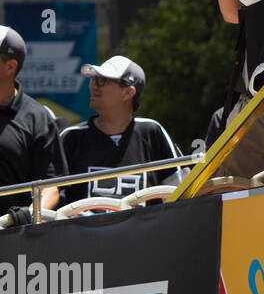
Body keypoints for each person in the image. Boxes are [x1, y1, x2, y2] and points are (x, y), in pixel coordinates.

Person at [59, 56, 183, 203]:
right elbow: (51, 196)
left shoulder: (152, 132)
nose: (92, 86)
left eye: (102, 80)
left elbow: (181, 195)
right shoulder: (71, 137)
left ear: (128, 93)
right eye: (93, 80)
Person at [0, 26, 65, 215]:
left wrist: (28, 215)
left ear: (10, 66)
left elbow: (51, 187)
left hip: (13, 237)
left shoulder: (38, 117)